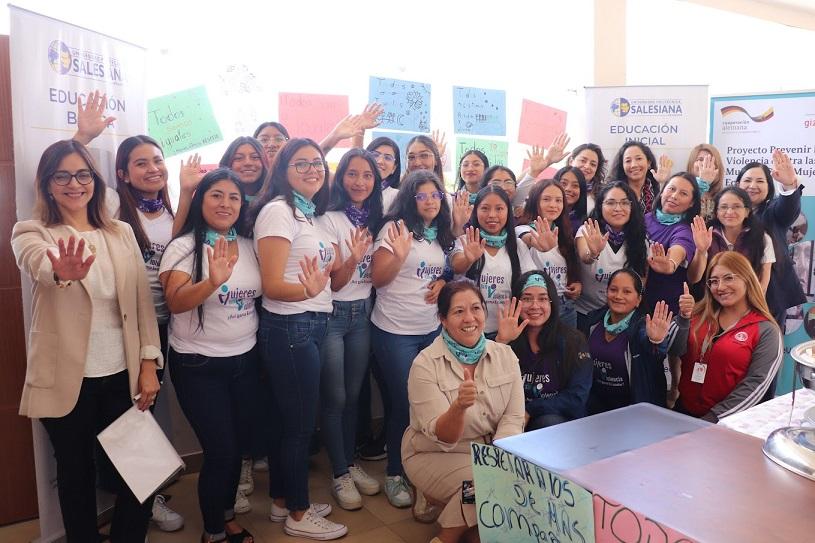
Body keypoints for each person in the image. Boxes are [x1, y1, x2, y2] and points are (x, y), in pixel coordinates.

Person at [12, 139, 163, 542]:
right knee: (76, 477)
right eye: (61, 175)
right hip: (67, 380)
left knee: (139, 471)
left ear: (94, 180)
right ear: (46, 184)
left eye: (82, 174)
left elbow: (142, 305)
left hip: (122, 373)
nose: (73, 183)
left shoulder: (121, 232)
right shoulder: (32, 231)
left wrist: (149, 364)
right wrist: (61, 270)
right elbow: (38, 263)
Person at [250, 138, 347, 540]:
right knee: (300, 426)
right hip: (291, 327)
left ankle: (281, 501)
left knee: (288, 421)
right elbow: (272, 285)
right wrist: (307, 293)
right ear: (283, 171)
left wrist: (345, 258)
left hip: (310, 324)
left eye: (318, 163)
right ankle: (299, 514)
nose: (312, 169)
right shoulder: (278, 212)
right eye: (301, 163)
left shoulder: (309, 215)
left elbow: (330, 277)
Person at [159, 169, 260, 543]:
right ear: (202, 200)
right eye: (216, 195)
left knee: (237, 448)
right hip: (198, 365)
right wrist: (212, 282)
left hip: (245, 360)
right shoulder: (184, 246)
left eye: (233, 197)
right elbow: (175, 301)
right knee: (221, 451)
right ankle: (214, 532)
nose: (225, 204)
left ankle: (228, 515)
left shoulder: (249, 245)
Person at [402, 280, 524, 543]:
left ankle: (460, 515)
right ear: (443, 319)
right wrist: (458, 408)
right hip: (432, 452)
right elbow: (443, 436)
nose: (469, 318)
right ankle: (446, 537)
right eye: (458, 312)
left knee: (490, 527)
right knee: (483, 484)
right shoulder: (424, 365)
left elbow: (513, 418)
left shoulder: (505, 356)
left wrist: (499, 461)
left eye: (476, 308)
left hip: (487, 452)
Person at [370, 169, 454, 508]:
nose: (430, 201)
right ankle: (395, 474)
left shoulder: (438, 233)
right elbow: (378, 278)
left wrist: (444, 282)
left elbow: (441, 270)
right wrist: (401, 255)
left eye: (435, 195)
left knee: (431, 404)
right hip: (394, 332)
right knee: (406, 404)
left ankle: (423, 471)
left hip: (430, 331)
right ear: (410, 199)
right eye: (422, 195)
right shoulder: (395, 230)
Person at [316, 149, 383, 510]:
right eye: (352, 174)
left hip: (364, 313)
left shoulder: (377, 219)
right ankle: (339, 472)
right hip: (333, 314)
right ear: (341, 178)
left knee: (355, 396)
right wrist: (353, 257)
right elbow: (336, 283)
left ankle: (350, 462)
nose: (359, 182)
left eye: (367, 175)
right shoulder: (328, 219)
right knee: (335, 396)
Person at [674, 252, 783, 422]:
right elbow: (674, 350)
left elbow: (756, 385)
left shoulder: (766, 330)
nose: (720, 287)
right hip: (683, 414)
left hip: (727, 424)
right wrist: (683, 318)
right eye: (714, 281)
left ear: (747, 278)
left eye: (728, 278)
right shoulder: (696, 315)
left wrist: (713, 419)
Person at [496, 271, 592, 428]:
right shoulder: (504, 340)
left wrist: (530, 410)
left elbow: (577, 397)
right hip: (511, 420)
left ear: (552, 303)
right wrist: (501, 342)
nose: (535, 306)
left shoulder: (574, 341)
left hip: (557, 423)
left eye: (543, 298)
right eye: (527, 299)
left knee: (548, 422)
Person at [587, 269, 688, 414]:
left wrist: (656, 340)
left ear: (638, 299)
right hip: (596, 409)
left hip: (634, 411)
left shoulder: (643, 325)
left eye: (627, 292)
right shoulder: (592, 321)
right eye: (613, 290)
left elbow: (655, 352)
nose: (618, 296)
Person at [450, 186, 534, 338]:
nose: (492, 215)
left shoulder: (517, 245)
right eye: (485, 208)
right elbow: (456, 266)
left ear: (508, 212)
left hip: (508, 331)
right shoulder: (465, 240)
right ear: (475, 211)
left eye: (499, 208)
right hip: (470, 331)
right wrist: (469, 258)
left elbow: (530, 281)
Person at [737, 151, 806, 327]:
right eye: (747, 180)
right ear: (738, 184)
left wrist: (789, 185)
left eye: (760, 181)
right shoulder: (726, 211)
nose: (752, 185)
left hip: (770, 296)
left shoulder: (774, 211)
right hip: (731, 290)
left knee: (767, 348)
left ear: (769, 187)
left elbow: (788, 208)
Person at [574, 181, 648, 336]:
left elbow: (641, 280)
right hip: (586, 313)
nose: (618, 208)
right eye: (610, 203)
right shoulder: (588, 230)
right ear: (600, 206)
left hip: (623, 317)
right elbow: (584, 256)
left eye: (624, 203)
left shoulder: (640, 238)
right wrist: (593, 253)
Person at [516, 180, 582, 328]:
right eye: (546, 199)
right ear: (534, 202)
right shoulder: (523, 229)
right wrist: (541, 244)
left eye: (558, 200)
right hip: (537, 306)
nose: (553, 205)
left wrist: (575, 284)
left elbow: (569, 269)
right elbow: (530, 239)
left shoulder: (564, 232)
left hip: (566, 306)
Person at [687, 187, 774, 292]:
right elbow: (694, 279)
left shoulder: (762, 238)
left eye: (736, 207)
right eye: (723, 207)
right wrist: (701, 251)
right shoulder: (707, 235)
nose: (729, 212)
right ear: (717, 213)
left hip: (747, 304)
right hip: (710, 302)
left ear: (747, 212)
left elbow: (762, 285)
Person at [643, 172, 701, 315]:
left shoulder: (685, 230)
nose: (674, 196)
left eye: (683, 193)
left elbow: (679, 248)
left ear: (692, 202)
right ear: (662, 192)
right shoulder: (643, 219)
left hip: (665, 309)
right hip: (634, 301)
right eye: (671, 189)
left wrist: (670, 264)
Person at [608, 141, 672, 214]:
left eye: (639, 159)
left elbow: (666, 217)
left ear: (648, 163)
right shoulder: (613, 192)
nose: (634, 165)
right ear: (622, 166)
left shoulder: (656, 190)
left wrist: (662, 183)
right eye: (628, 161)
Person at [219, 136, 268, 201]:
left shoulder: (276, 197)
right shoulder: (216, 197)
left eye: (255, 157)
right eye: (238, 158)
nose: (248, 163)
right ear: (228, 163)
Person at [686, 143, 724, 220]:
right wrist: (702, 183)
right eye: (700, 159)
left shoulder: (724, 196)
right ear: (691, 165)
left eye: (710, 160)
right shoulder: (681, 190)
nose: (705, 164)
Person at [366, 136, 402, 212]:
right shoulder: (353, 188)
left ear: (394, 168)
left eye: (388, 158)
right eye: (375, 155)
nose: (380, 161)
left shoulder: (397, 197)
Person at [554, 165, 588, 233]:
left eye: (575, 185)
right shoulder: (543, 213)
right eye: (563, 183)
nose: (568, 189)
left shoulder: (584, 225)